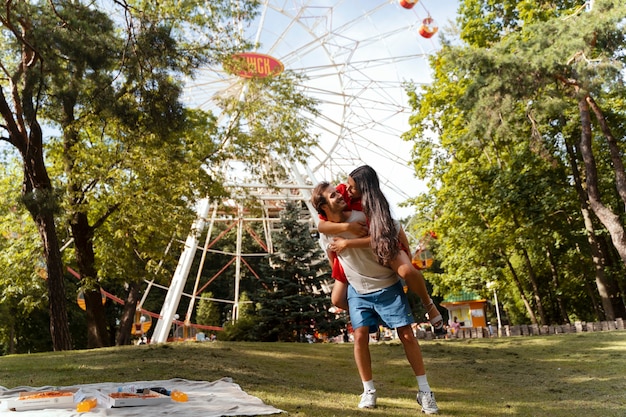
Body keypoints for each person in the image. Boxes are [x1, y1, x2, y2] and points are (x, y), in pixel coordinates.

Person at [312, 181, 439, 414]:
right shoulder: (326, 232)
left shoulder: (361, 215)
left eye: (339, 193)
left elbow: (392, 227)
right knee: (359, 337)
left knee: (408, 336)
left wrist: (406, 253)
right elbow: (334, 258)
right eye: (333, 196)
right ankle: (368, 390)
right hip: (358, 290)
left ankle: (425, 391)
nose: (340, 195)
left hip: (386, 284)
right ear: (323, 206)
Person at [317, 166, 443, 331]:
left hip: (384, 244)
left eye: (352, 187)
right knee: (337, 299)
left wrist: (407, 252)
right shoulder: (343, 193)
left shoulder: (376, 206)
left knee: (408, 271)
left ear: (364, 189)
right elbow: (321, 226)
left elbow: (392, 231)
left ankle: (428, 304)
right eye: (346, 185)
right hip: (353, 258)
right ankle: (375, 318)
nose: (346, 189)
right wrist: (347, 227)